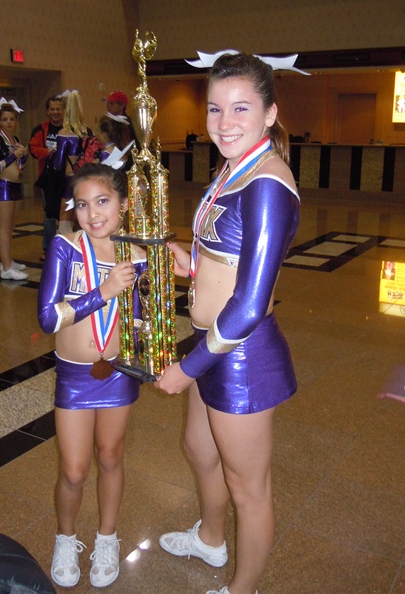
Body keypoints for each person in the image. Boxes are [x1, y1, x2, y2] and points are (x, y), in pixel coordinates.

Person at [155, 52, 301, 594]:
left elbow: (250, 302)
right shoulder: (233, 168)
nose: (225, 122)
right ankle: (211, 539)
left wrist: (188, 368)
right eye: (215, 109)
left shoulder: (268, 182)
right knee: (199, 449)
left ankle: (243, 588)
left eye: (241, 108)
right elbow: (231, 256)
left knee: (249, 487)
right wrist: (191, 264)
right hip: (212, 342)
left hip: (240, 353)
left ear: (270, 113)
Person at [37, 163, 147, 589]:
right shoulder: (65, 248)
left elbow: (143, 317)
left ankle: (107, 538)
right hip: (74, 375)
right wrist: (102, 292)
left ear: (123, 203)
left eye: (102, 201)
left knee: (111, 456)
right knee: (74, 470)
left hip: (118, 373)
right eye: (82, 204)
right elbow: (48, 318)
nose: (93, 213)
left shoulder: (138, 254)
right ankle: (66, 538)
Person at [0, 100, 29, 280]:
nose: (9, 123)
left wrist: (23, 155)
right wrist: (14, 156)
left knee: (11, 226)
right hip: (3, 186)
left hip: (15, 185)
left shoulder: (15, 140)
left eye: (12, 119)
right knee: (5, 227)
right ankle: (6, 268)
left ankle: (8, 260)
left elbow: (21, 164)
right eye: (5, 119)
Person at [54, 91, 100, 235]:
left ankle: (68, 246)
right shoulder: (88, 131)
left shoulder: (64, 133)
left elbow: (58, 165)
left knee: (65, 219)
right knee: (85, 216)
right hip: (86, 177)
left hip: (70, 179)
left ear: (65, 110)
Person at [29, 95, 65, 261]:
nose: (56, 112)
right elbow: (33, 149)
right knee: (49, 214)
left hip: (66, 177)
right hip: (47, 178)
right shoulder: (40, 129)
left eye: (58, 109)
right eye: (52, 109)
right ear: (47, 111)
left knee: (67, 213)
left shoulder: (69, 128)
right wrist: (48, 152)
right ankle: (48, 249)